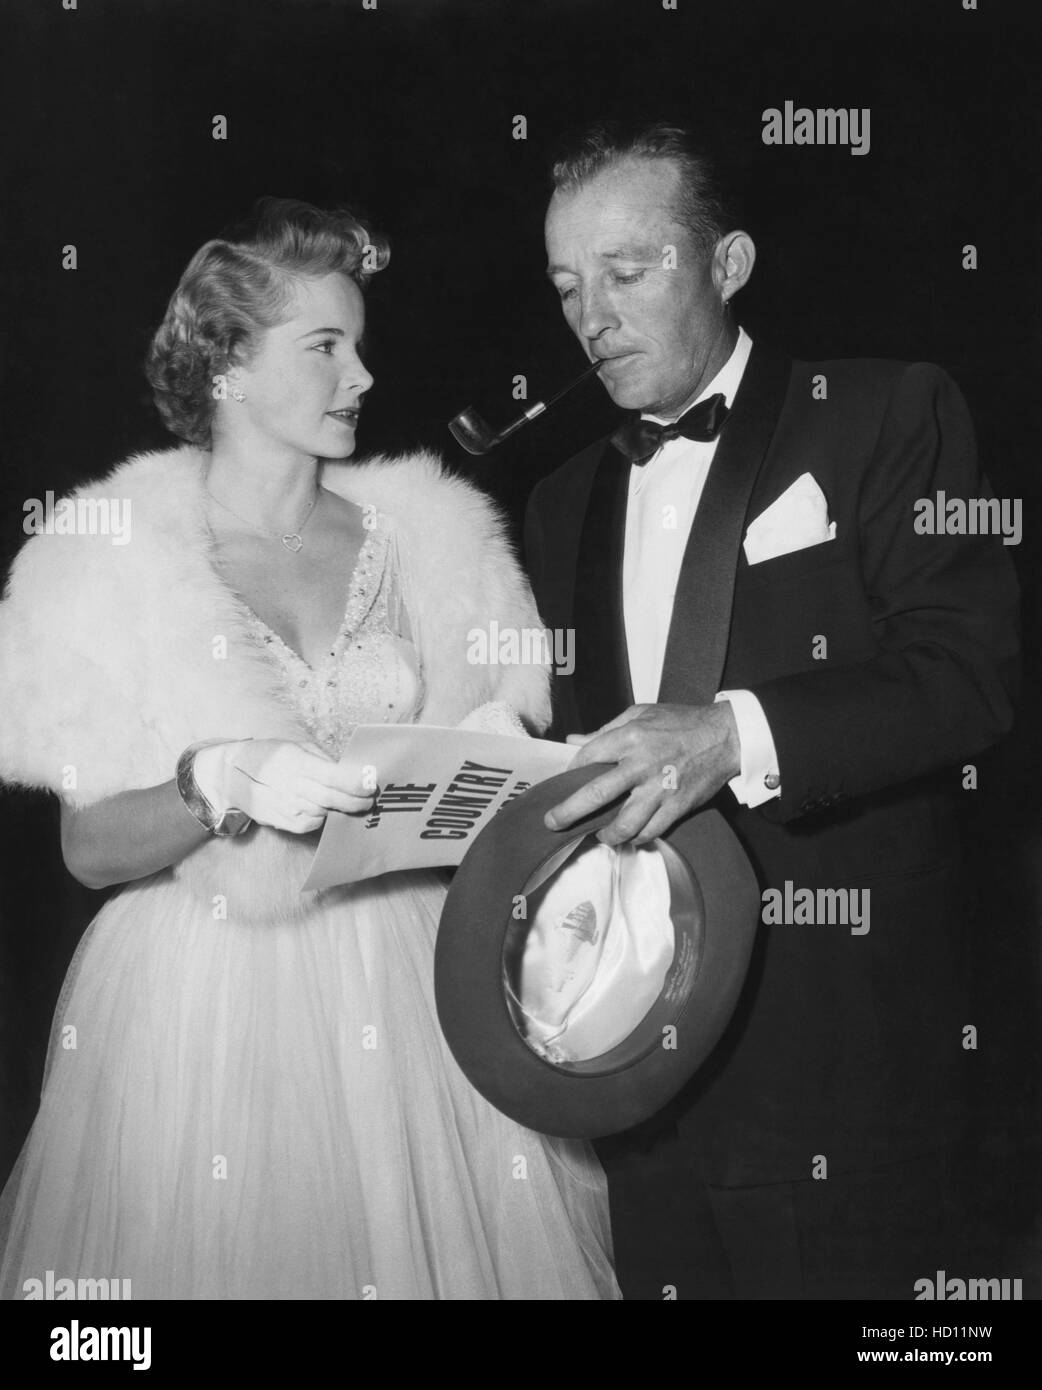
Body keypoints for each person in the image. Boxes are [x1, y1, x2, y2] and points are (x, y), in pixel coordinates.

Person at [0, 198, 618, 1300]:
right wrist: (211, 784)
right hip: (200, 1002)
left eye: (360, 344)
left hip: (417, 976)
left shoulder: (434, 539)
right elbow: (88, 850)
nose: (362, 376)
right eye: (325, 346)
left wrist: (499, 755)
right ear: (228, 364)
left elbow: (488, 790)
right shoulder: (109, 557)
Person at [524, 121, 1020, 1299]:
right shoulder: (556, 501)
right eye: (565, 286)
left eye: (627, 272)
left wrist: (730, 733)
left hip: (843, 1062)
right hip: (636, 1064)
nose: (591, 314)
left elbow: (970, 676)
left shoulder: (888, 412)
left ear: (730, 263)